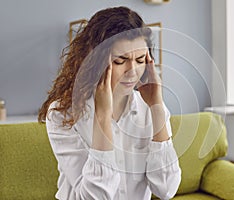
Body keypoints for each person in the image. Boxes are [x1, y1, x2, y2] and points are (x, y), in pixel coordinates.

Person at [38, 6, 181, 200]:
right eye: (120, 61)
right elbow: (93, 197)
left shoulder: (151, 109)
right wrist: (103, 117)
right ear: (95, 61)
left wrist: (156, 107)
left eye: (140, 59)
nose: (132, 71)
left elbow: (166, 189)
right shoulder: (62, 114)